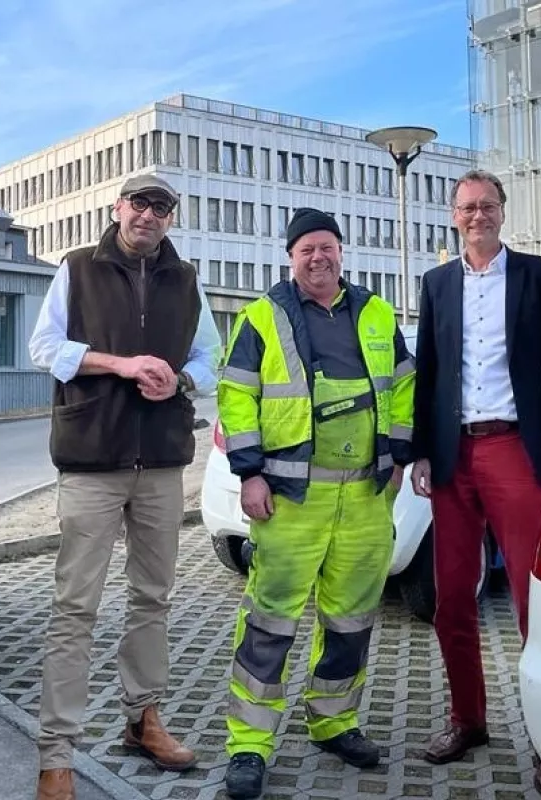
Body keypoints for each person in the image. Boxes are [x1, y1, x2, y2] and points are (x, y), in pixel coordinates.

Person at [27, 174, 222, 800]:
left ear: (170, 219)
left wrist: (181, 382)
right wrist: (119, 364)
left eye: (161, 207)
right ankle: (57, 752)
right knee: (75, 608)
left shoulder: (186, 280)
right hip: (92, 458)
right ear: (118, 209)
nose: (148, 214)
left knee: (153, 599)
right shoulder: (78, 268)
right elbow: (44, 347)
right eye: (139, 203)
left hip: (162, 461)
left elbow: (208, 359)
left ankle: (143, 720)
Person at [215, 208, 416, 799]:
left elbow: (404, 386)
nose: (318, 257)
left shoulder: (377, 313)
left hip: (363, 495)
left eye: (326, 247)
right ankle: (248, 745)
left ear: (341, 252)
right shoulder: (261, 317)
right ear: (291, 257)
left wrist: (398, 455)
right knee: (269, 621)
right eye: (306, 250)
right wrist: (249, 476)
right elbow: (236, 398)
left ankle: (333, 722)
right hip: (289, 498)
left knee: (351, 620)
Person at [409, 169, 541, 796]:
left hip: (516, 450)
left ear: (502, 213)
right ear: (453, 217)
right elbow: (427, 373)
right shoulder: (436, 284)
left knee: (532, 599)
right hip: (455, 455)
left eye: (487, 206)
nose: (477, 216)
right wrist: (423, 453)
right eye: (466, 208)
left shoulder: (540, 276)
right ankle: (469, 719)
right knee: (451, 596)